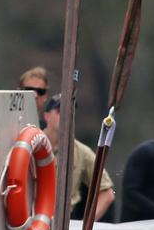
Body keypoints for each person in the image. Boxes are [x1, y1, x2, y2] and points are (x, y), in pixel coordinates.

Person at [43, 93, 115, 221]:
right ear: (46, 116)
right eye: (60, 112)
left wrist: (85, 225)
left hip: (64, 222)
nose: (66, 116)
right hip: (33, 219)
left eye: (71, 112)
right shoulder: (31, 144)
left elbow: (107, 194)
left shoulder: (82, 152)